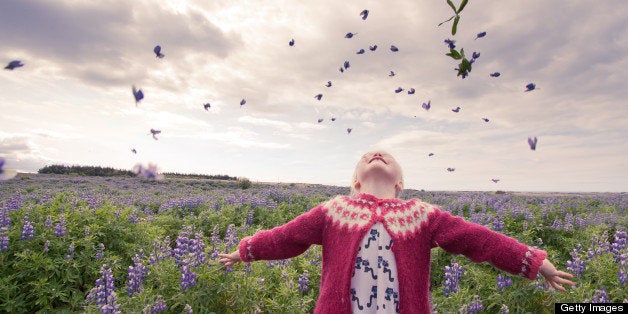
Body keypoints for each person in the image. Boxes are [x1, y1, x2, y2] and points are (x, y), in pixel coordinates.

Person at [219, 151, 575, 313]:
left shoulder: (422, 214)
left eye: (387, 155)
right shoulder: (333, 210)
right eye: (367, 156)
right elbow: (287, 236)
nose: (377, 154)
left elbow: (477, 239)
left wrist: (530, 260)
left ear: (401, 182)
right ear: (356, 182)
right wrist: (246, 250)